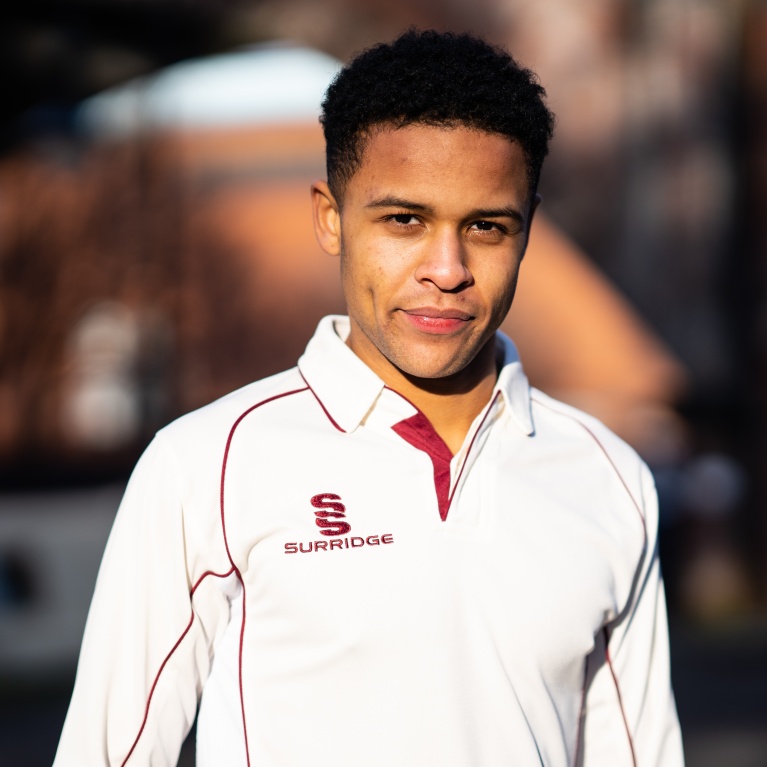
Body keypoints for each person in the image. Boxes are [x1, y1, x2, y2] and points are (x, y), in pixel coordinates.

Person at [54, 30, 684, 766]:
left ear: (526, 231)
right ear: (330, 217)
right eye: (403, 221)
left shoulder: (608, 478)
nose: (445, 269)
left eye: (485, 226)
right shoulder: (207, 466)